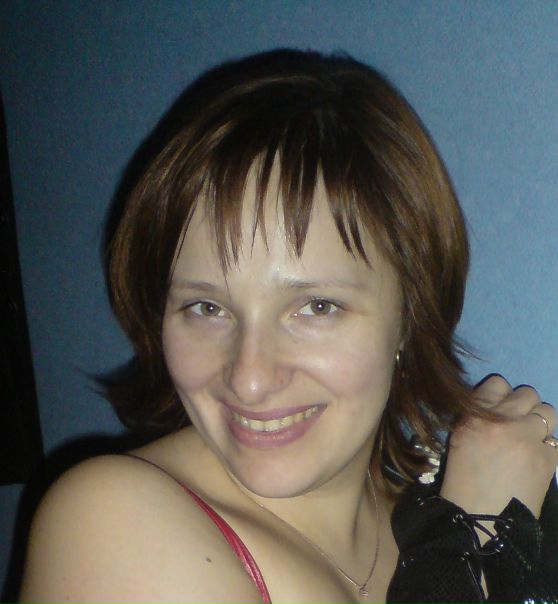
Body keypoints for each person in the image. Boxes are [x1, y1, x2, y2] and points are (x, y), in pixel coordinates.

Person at [19, 49, 558, 603]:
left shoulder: (422, 516)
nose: (250, 379)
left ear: (408, 317)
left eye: (316, 307)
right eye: (206, 308)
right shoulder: (113, 525)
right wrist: (473, 536)